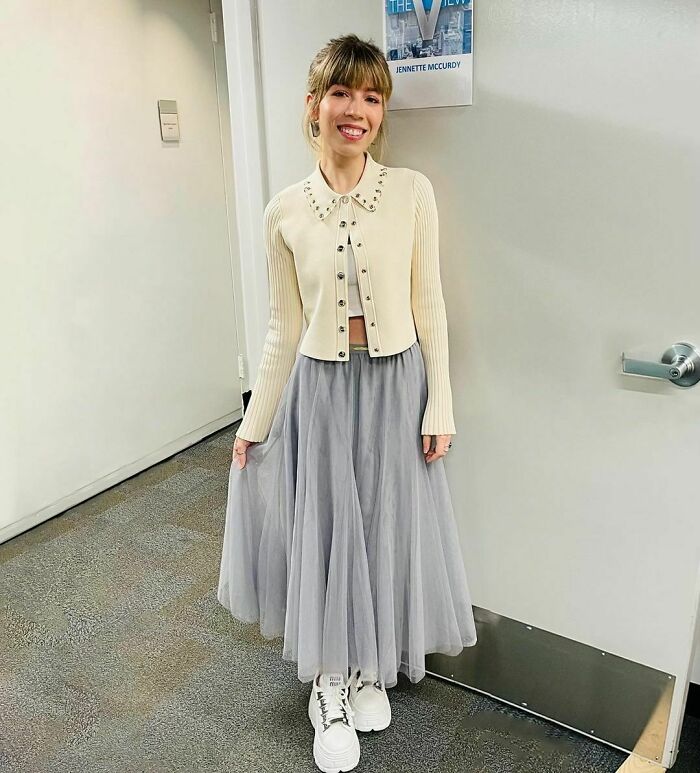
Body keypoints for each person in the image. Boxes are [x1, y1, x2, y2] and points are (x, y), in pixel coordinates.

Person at [217, 33, 477, 773]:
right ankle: (327, 683)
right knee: (327, 528)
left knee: (385, 525)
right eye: (342, 93)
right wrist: (253, 423)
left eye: (371, 97)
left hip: (397, 383)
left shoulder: (411, 191)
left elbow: (430, 303)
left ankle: (367, 666)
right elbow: (282, 327)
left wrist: (441, 404)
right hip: (320, 390)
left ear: (382, 110)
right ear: (314, 106)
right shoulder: (283, 212)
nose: (356, 110)